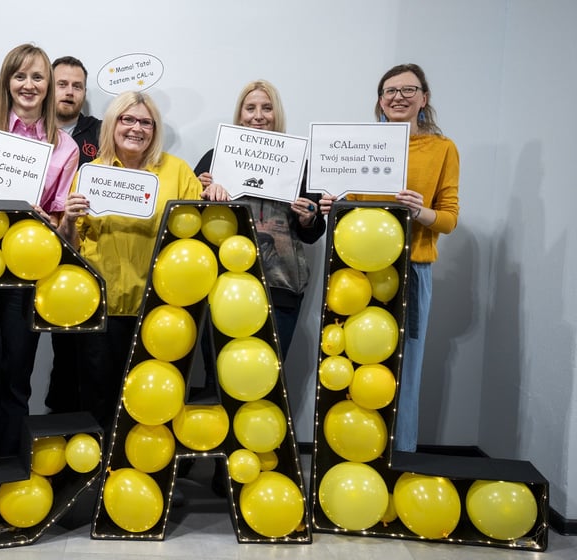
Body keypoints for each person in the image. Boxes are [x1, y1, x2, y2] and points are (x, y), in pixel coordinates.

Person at [58, 91, 226, 434]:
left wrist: (215, 198)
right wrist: (68, 222)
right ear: (113, 124)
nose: (137, 128)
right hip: (101, 306)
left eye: (146, 123)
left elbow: (199, 238)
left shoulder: (178, 172)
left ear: (155, 130)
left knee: (152, 401)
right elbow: (70, 248)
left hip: (161, 308)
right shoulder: (91, 173)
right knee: (99, 398)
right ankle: (101, 464)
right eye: (128, 119)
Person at [188, 79, 327, 494]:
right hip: (225, 288)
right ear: (240, 113)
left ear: (276, 113)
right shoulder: (216, 156)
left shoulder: (298, 161)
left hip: (282, 283)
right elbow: (189, 218)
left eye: (266, 108)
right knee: (220, 378)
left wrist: (308, 216)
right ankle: (222, 468)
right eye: (250, 108)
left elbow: (313, 231)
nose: (258, 116)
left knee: (267, 379)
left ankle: (257, 467)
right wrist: (203, 190)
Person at [319, 63, 460, 452]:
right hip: (357, 273)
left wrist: (420, 211)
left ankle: (400, 458)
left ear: (424, 98)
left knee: (404, 369)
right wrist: (334, 204)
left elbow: (448, 219)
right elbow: (349, 204)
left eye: (408, 90)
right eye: (390, 91)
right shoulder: (361, 144)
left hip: (412, 269)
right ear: (380, 101)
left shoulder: (442, 149)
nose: (399, 97)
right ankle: (355, 455)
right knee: (354, 364)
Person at [0, 44, 78, 458]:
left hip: (27, 271)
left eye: (37, 77)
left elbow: (60, 219)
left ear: (48, 86)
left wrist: (45, 219)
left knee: (17, 371)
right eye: (20, 76)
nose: (28, 85)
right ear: (6, 81)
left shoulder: (65, 147)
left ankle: (11, 464)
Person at [45, 56, 103, 415]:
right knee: (58, 347)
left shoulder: (101, 132)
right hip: (37, 252)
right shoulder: (31, 131)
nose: (69, 92)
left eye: (77, 86)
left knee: (86, 350)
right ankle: (58, 420)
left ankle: (87, 425)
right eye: (62, 84)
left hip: (89, 255)